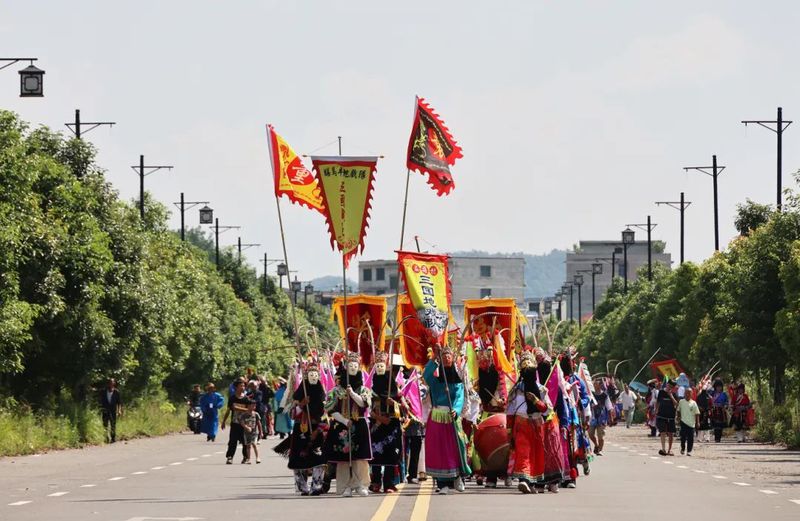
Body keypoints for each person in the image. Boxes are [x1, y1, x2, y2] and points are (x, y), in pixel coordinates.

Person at [323, 351, 373, 497]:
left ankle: (361, 484)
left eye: (355, 366)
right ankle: (345, 486)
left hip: (359, 424)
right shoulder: (336, 390)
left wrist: (352, 394)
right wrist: (344, 421)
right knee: (343, 460)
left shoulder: (364, 389)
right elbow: (330, 410)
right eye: (350, 366)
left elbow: (364, 404)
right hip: (342, 425)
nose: (353, 368)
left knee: (360, 458)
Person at [423, 345, 471, 495]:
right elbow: (426, 375)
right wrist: (434, 358)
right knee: (439, 450)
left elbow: (459, 399)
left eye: (449, 356)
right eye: (443, 357)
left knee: (456, 448)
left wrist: (456, 410)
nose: (446, 358)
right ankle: (442, 483)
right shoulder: (435, 382)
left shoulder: (458, 383)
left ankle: (458, 477)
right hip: (437, 418)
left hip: (451, 418)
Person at [506, 349, 548, 494]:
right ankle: (524, 480)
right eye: (525, 369)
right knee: (523, 452)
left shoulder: (541, 390)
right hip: (521, 424)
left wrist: (536, 401)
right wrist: (509, 432)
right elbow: (510, 412)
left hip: (537, 424)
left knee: (536, 454)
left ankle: (533, 482)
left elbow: (546, 410)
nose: (527, 371)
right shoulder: (516, 390)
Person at [288, 360, 328, 496]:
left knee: (319, 459)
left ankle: (316, 486)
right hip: (300, 429)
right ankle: (302, 487)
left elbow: (326, 418)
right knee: (299, 459)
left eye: (315, 375)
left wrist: (317, 431)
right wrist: (301, 404)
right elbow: (292, 415)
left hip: (317, 430)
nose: (313, 377)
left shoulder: (322, 398)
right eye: (311, 375)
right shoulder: (298, 397)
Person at [369, 351, 403, 493]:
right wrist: (376, 417)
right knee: (376, 453)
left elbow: (403, 407)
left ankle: (389, 483)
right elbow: (366, 407)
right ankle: (376, 482)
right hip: (376, 424)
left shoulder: (393, 387)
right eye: (377, 365)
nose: (380, 368)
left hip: (391, 425)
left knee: (391, 453)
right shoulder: (371, 388)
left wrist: (393, 403)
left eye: (382, 364)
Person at [221, 377, 250, 464]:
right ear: (236, 387)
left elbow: (250, 410)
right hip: (234, 423)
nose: (243, 387)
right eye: (241, 386)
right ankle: (230, 457)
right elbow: (229, 410)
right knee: (232, 441)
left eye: (244, 386)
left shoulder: (246, 399)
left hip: (244, 424)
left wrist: (238, 408)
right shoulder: (232, 398)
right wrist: (223, 422)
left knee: (245, 441)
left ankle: (245, 457)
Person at [589, 380, 613, 455]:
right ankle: (596, 445)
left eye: (596, 384)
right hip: (592, 418)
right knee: (590, 434)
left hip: (602, 419)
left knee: (601, 436)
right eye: (594, 384)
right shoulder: (591, 394)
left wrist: (610, 418)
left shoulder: (604, 395)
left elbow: (609, 407)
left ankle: (600, 450)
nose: (594, 385)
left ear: (600, 385)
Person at [655, 379, 678, 456]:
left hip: (671, 416)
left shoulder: (674, 394)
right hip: (661, 415)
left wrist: (671, 396)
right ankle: (663, 449)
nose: (669, 387)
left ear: (673, 388)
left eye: (671, 387)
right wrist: (656, 410)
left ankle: (670, 450)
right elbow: (658, 402)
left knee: (671, 433)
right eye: (669, 385)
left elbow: (676, 404)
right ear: (667, 384)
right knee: (662, 432)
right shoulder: (661, 392)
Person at [100, 378, 122, 443]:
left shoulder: (116, 392)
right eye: (109, 383)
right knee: (105, 424)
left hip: (113, 411)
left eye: (112, 383)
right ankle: (106, 437)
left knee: (113, 424)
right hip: (105, 410)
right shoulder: (104, 391)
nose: (111, 384)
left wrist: (119, 410)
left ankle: (113, 438)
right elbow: (101, 401)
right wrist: (101, 408)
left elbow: (119, 402)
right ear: (108, 384)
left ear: (114, 384)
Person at [677, 389, 700, 456]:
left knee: (690, 438)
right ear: (684, 394)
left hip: (691, 424)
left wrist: (698, 422)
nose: (687, 394)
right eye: (686, 393)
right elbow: (678, 410)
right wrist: (678, 417)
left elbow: (697, 413)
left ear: (691, 394)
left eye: (689, 393)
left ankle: (689, 451)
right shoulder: (681, 401)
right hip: (683, 422)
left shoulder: (694, 403)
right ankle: (683, 448)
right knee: (683, 437)